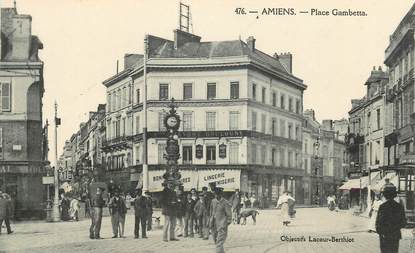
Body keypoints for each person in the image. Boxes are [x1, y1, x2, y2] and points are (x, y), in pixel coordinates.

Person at [376, 184, 406, 253]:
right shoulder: (399, 207)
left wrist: (381, 232)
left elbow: (378, 223)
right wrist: (395, 228)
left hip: (384, 236)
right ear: (394, 195)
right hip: (395, 235)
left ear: (385, 195)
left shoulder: (382, 207)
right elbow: (403, 223)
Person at [210, 187, 232, 253]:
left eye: (218, 194)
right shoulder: (213, 201)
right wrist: (210, 220)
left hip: (222, 225)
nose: (216, 196)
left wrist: (226, 223)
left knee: (219, 242)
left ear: (220, 194)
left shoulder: (225, 202)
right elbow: (211, 211)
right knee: (216, 241)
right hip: (214, 224)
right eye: (215, 194)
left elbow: (229, 214)